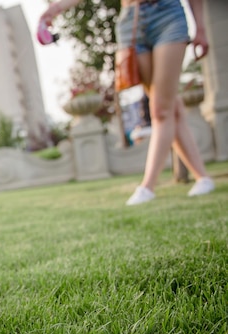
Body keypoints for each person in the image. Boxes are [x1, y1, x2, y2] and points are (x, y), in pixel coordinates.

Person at [40, 0, 215, 205]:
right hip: (131, 19)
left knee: (160, 110)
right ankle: (203, 178)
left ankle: (147, 186)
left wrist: (200, 28)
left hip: (168, 14)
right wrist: (54, 9)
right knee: (169, 107)